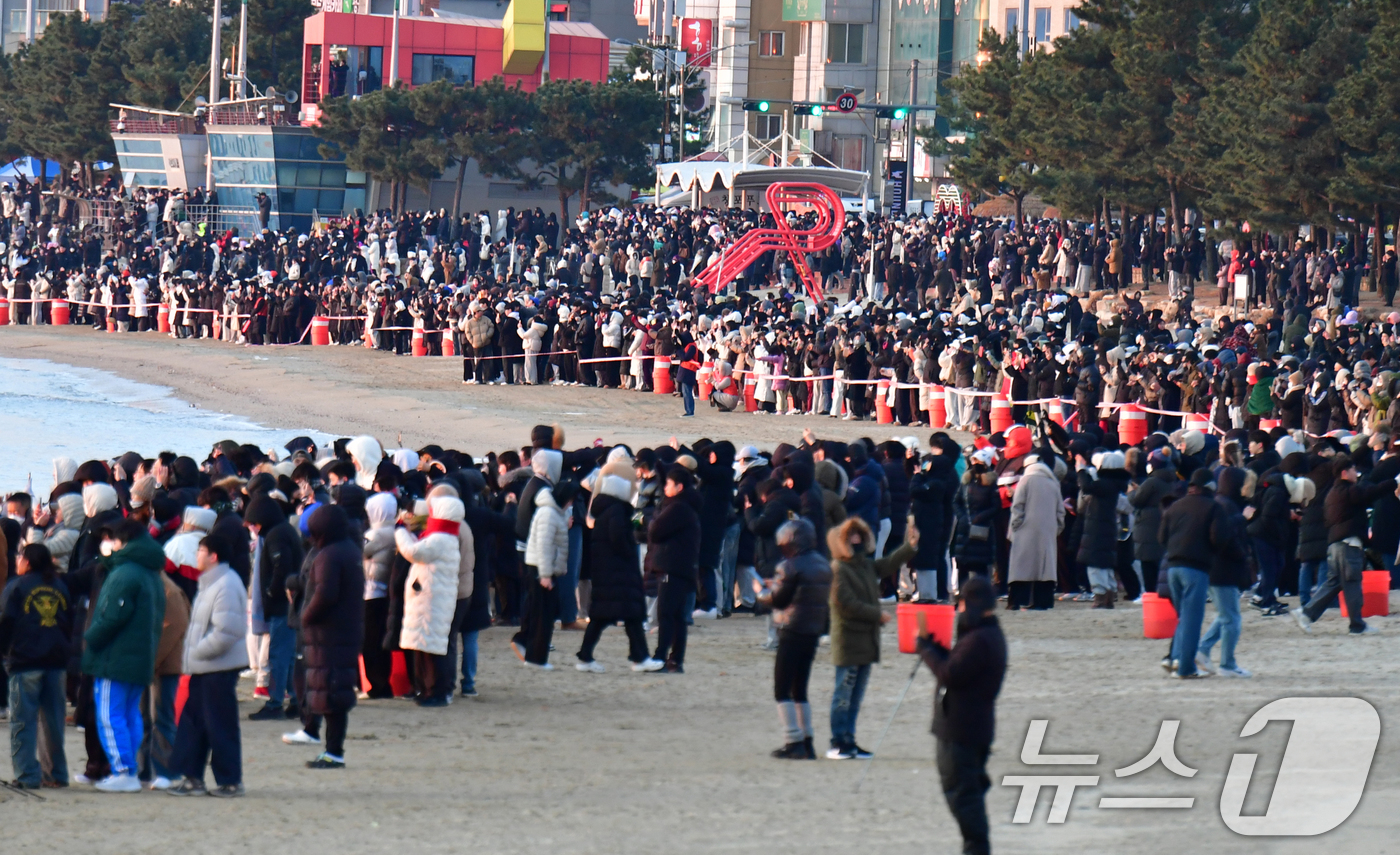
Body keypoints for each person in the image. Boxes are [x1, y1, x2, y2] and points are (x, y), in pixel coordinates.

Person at [915, 575, 1006, 855]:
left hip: (962, 730)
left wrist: (925, 649)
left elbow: (950, 674)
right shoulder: (984, 635)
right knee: (967, 792)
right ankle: (975, 846)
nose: (959, 610)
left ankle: (977, 848)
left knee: (963, 796)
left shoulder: (980, 639)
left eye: (962, 604)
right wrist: (936, 648)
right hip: (969, 727)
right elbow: (957, 664)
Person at [82, 517, 168, 792]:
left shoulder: (125, 573)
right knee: (130, 714)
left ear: (123, 542)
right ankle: (130, 768)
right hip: (139, 656)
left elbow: (110, 617)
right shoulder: (151, 574)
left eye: (113, 540)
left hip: (115, 657)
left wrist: (89, 639)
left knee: (110, 715)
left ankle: (123, 770)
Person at [826, 516, 918, 759]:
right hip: (848, 642)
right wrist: (876, 615)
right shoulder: (838, 569)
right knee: (843, 696)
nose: (856, 539)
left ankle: (849, 740)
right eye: (851, 536)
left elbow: (887, 564)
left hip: (866, 641)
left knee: (855, 697)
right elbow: (845, 603)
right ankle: (838, 741)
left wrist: (909, 547)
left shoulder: (865, 565)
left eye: (859, 534)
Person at [168, 534, 248, 797]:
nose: (196, 555)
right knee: (194, 723)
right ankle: (192, 777)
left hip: (219, 668)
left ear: (213, 556)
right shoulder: (210, 583)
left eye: (201, 550)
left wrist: (197, 652)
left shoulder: (226, 584)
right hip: (204, 668)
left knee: (220, 724)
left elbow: (226, 632)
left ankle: (231, 781)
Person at [753, 519, 830, 760]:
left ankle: (793, 740)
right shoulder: (822, 564)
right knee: (800, 689)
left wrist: (761, 592)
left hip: (791, 628)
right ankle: (807, 740)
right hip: (812, 630)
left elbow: (778, 599)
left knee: (782, 689)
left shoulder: (789, 566)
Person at [298, 505, 365, 769]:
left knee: (331, 690)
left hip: (328, 633)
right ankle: (332, 749)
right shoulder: (350, 550)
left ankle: (333, 751)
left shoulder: (329, 555)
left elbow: (325, 594)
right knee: (335, 689)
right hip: (345, 629)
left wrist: (306, 616)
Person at [0, 543, 71, 789]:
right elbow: (69, 621)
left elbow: (5, 622)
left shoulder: (17, 586)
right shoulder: (60, 586)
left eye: (20, 556)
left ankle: (27, 774)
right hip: (56, 660)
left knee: (23, 720)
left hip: (25, 660)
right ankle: (57, 773)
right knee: (53, 722)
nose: (17, 560)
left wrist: (5, 652)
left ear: (27, 561)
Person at [1293, 455, 1390, 635]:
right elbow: (1371, 492)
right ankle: (1357, 625)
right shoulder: (1348, 491)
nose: (1356, 473)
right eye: (1353, 469)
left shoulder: (1332, 493)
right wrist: (1394, 483)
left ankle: (1306, 613)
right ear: (1345, 473)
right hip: (1348, 545)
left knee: (1334, 583)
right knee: (1352, 584)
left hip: (1334, 545)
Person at [577, 465, 659, 673]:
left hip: (608, 574)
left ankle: (588, 656)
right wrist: (629, 552)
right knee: (631, 615)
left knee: (604, 617)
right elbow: (619, 539)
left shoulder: (605, 511)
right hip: (620, 573)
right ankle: (639, 658)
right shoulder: (617, 511)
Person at [1158, 468, 1231, 678]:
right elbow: (1219, 538)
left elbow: (1161, 537)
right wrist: (1211, 553)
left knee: (1183, 617)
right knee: (1192, 620)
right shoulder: (1213, 508)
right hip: (1196, 568)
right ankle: (1186, 668)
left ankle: (1174, 658)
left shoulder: (1176, 505)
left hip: (1173, 567)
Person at [395, 493, 465, 704]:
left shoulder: (440, 539)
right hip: (430, 601)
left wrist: (400, 531)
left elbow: (413, 551)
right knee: (426, 648)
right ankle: (426, 690)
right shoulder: (444, 537)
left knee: (431, 650)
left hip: (430, 603)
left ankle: (435, 692)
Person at [649, 465, 702, 673]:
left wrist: (646, 521)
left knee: (667, 614)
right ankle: (675, 660)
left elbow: (655, 531)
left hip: (673, 566)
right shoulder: (684, 506)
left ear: (679, 487)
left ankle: (661, 657)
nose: (665, 488)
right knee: (677, 616)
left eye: (669, 485)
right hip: (681, 566)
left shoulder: (678, 507)